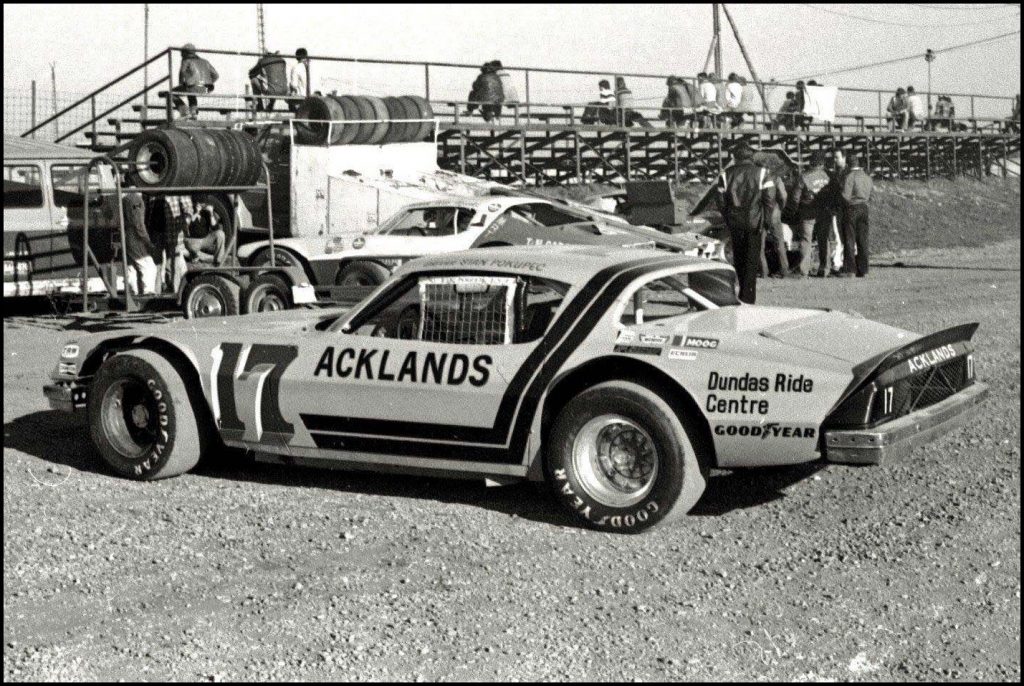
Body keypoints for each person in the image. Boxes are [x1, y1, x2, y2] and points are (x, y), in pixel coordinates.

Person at [716, 143, 776, 304]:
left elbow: (720, 201)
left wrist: (728, 217)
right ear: (751, 156)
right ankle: (748, 297)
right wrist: (766, 221)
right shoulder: (762, 173)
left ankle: (742, 294)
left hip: (735, 222)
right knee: (751, 260)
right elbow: (769, 200)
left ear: (735, 157)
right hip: (755, 222)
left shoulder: (725, 175)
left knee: (739, 259)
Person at [792, 152, 830, 277]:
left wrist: (795, 209)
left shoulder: (804, 176)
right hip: (824, 211)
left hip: (807, 211)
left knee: (806, 240)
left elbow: (795, 197)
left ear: (811, 162)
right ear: (822, 163)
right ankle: (825, 269)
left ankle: (804, 271)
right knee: (824, 240)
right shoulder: (828, 176)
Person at [814, 150, 847, 277]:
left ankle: (836, 262)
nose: (834, 160)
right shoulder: (832, 174)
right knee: (835, 237)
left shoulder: (834, 175)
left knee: (836, 237)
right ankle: (836, 262)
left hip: (835, 208)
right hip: (833, 208)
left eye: (836, 157)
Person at [841, 155, 873, 278]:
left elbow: (845, 195)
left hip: (852, 208)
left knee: (850, 239)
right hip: (864, 208)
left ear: (848, 165)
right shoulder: (867, 177)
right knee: (863, 239)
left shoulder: (849, 177)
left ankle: (851, 270)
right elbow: (871, 194)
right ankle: (864, 270)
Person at [122, 191, 157, 295]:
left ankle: (132, 292)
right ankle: (148, 293)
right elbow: (138, 224)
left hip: (127, 234)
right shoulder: (135, 198)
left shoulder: (126, 197)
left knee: (131, 267)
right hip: (135, 236)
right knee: (149, 266)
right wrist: (147, 240)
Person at [173, 43, 218, 119]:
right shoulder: (205, 61)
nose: (181, 55)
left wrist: (181, 83)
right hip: (207, 88)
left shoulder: (186, 60)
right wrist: (206, 82)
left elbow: (182, 72)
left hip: (194, 86)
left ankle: (184, 112)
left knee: (172, 93)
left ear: (185, 53)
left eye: (182, 53)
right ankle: (193, 113)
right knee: (190, 91)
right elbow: (216, 75)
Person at [760, 171, 788, 279]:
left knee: (760, 244)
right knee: (779, 242)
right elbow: (783, 195)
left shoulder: (756, 177)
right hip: (774, 212)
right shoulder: (776, 178)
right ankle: (784, 270)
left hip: (760, 213)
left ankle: (763, 271)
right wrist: (780, 207)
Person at [288, 48, 312, 112]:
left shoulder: (296, 67)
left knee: (289, 98)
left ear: (296, 57)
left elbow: (294, 85)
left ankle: (296, 115)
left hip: (301, 97)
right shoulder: (311, 66)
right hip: (314, 96)